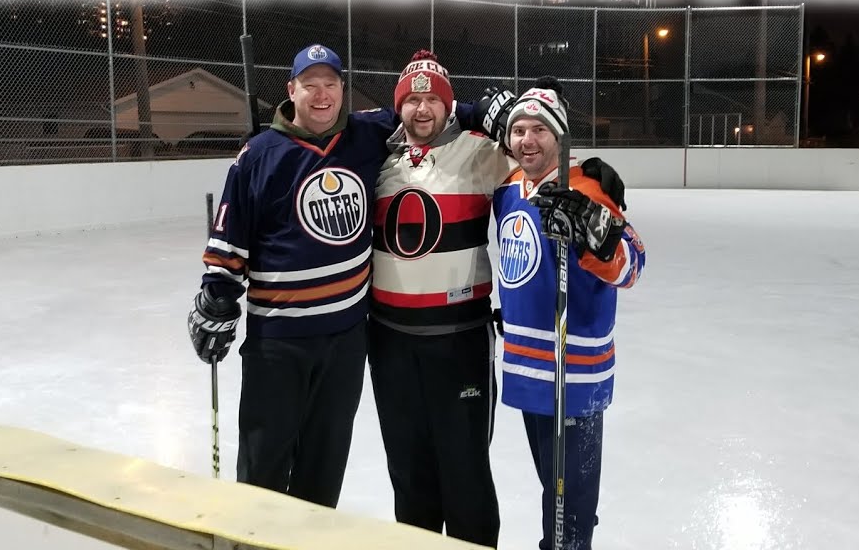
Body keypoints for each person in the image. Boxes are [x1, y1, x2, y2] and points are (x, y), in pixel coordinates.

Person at [186, 43, 514, 508]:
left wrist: (481, 108)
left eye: (331, 85)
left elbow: (426, 105)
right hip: (278, 343)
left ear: (343, 90)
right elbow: (229, 240)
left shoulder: (364, 134)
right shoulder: (258, 155)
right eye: (310, 85)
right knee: (264, 472)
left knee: (324, 472)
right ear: (290, 90)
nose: (322, 95)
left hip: (346, 341)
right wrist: (216, 297)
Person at [367, 50, 514, 546]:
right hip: (389, 344)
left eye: (432, 98)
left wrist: (584, 178)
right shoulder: (379, 161)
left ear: (448, 105)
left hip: (459, 341)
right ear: (398, 108)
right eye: (411, 99)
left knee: (465, 472)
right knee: (408, 472)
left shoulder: (478, 151)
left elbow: (540, 162)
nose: (421, 108)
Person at [491, 78, 646, 550]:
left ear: (560, 138)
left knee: (570, 505)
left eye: (540, 129)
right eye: (518, 130)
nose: (528, 140)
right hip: (527, 366)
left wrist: (596, 232)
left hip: (573, 373)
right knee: (551, 489)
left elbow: (632, 265)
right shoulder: (507, 189)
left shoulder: (587, 190)